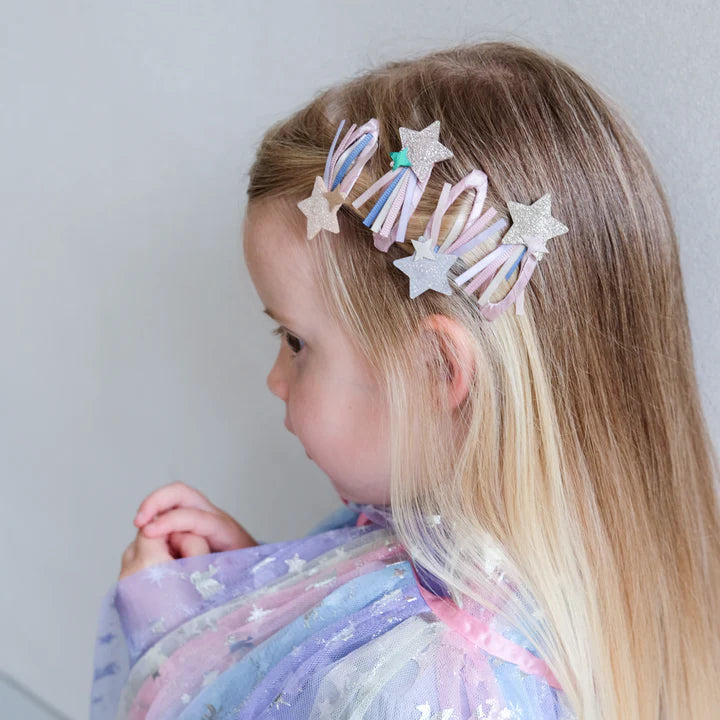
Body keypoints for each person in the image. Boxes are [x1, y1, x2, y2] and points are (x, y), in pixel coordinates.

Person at [88, 41, 720, 720]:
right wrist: (263, 610)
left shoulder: (434, 687)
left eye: (295, 342)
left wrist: (172, 650)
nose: (275, 379)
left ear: (438, 370)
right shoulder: (526, 572)